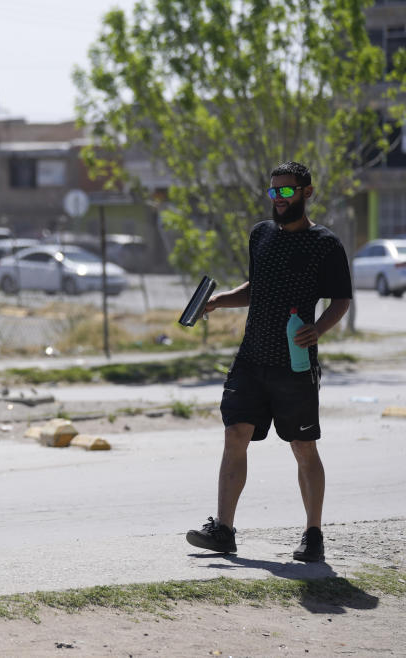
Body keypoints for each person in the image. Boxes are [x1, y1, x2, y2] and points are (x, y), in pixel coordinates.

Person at [186, 161, 352, 562]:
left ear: (306, 192)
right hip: (251, 357)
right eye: (273, 191)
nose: (279, 199)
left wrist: (320, 329)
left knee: (303, 445)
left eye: (286, 191)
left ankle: (313, 535)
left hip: (294, 364)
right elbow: (256, 287)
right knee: (235, 434)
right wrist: (221, 300)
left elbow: (341, 298)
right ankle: (224, 530)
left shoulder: (324, 243)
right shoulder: (260, 235)